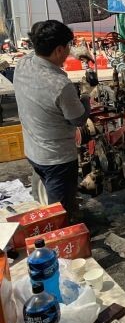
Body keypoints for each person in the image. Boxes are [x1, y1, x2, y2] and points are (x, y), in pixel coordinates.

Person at [13, 20, 91, 218]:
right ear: (59, 50)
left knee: (50, 192)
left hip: (33, 150)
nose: (69, 50)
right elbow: (79, 120)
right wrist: (86, 95)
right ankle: (66, 227)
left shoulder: (23, 64)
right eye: (68, 47)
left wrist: (75, 52)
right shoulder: (60, 84)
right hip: (57, 159)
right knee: (61, 214)